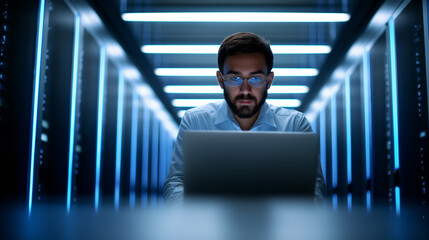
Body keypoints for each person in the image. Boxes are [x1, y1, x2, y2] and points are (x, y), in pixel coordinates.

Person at [164, 32, 326, 203]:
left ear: (269, 80)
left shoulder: (295, 124)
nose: (245, 90)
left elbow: (315, 189)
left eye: (255, 78)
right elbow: (175, 183)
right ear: (220, 80)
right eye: (235, 78)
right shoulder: (195, 121)